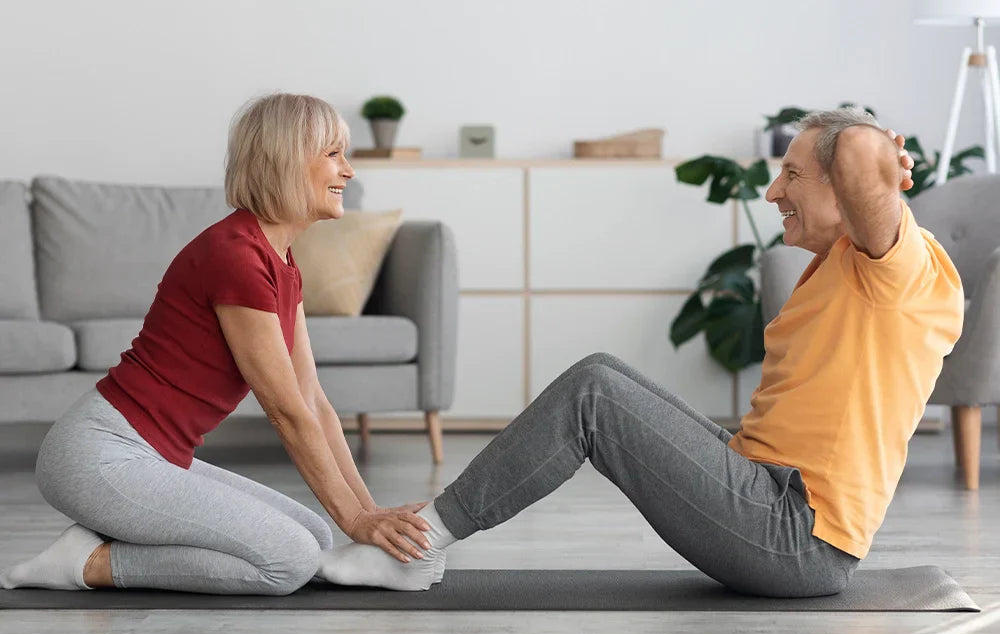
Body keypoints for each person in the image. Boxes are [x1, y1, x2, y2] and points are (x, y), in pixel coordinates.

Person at [317, 107, 965, 597]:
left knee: (592, 398)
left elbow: (855, 148)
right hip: (763, 493)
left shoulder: (898, 270)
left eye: (791, 174)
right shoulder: (841, 264)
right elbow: (852, 157)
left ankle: (417, 544)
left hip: (797, 534)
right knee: (601, 374)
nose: (773, 193)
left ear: (845, 188)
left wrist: (878, 158)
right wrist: (870, 164)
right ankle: (421, 541)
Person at [1, 93, 443, 595]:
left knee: (318, 535)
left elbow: (312, 400)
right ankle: (87, 562)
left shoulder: (283, 263)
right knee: (290, 562)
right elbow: (285, 412)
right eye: (333, 154)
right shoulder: (236, 256)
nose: (348, 171)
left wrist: (367, 514)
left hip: (154, 457)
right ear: (287, 160)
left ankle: (108, 533)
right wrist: (359, 524)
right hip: (98, 457)